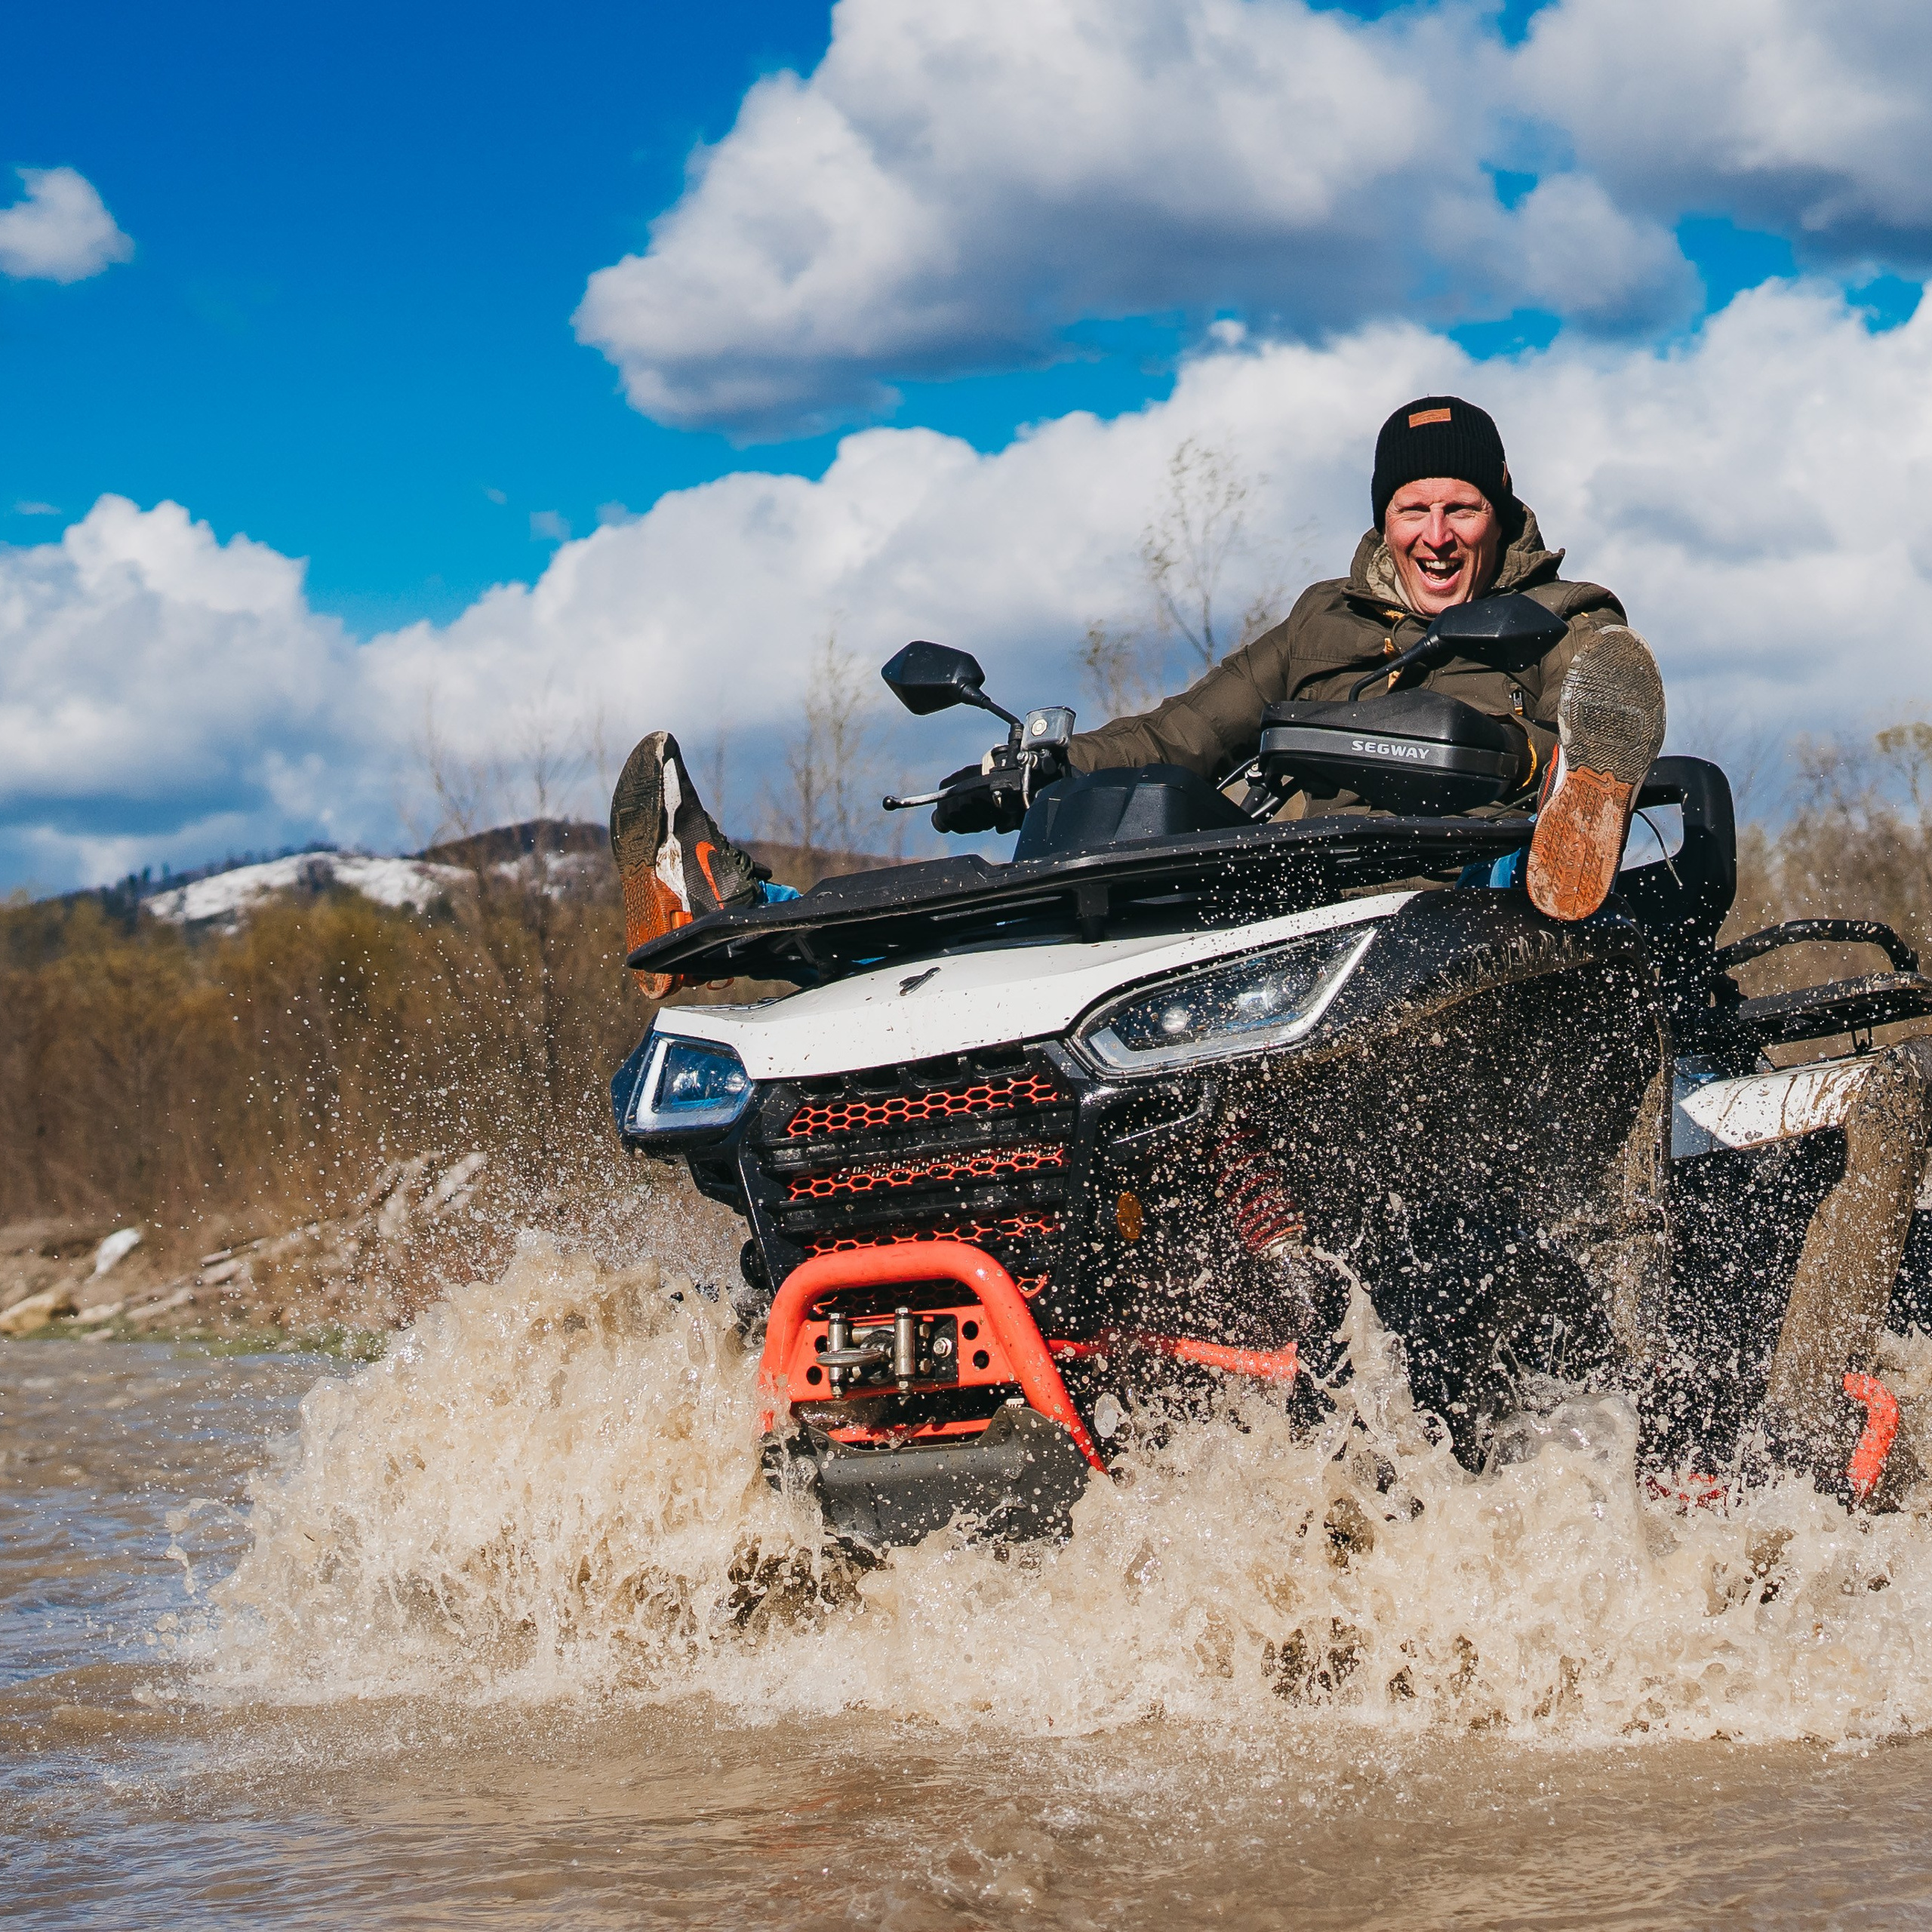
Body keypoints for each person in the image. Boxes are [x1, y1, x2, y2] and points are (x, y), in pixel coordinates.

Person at [610, 395, 1666, 992]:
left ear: (1501, 509)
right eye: (1414, 507)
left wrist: (1536, 765)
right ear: (1385, 517)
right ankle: (735, 905)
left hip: (1451, 873)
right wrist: (1042, 767)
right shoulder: (1323, 620)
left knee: (1528, 786)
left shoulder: (1559, 616)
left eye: (1463, 507)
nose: (1438, 534)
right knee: (1023, 893)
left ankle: (1574, 809)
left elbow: (1590, 691)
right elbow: (1184, 733)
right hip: (1277, 873)